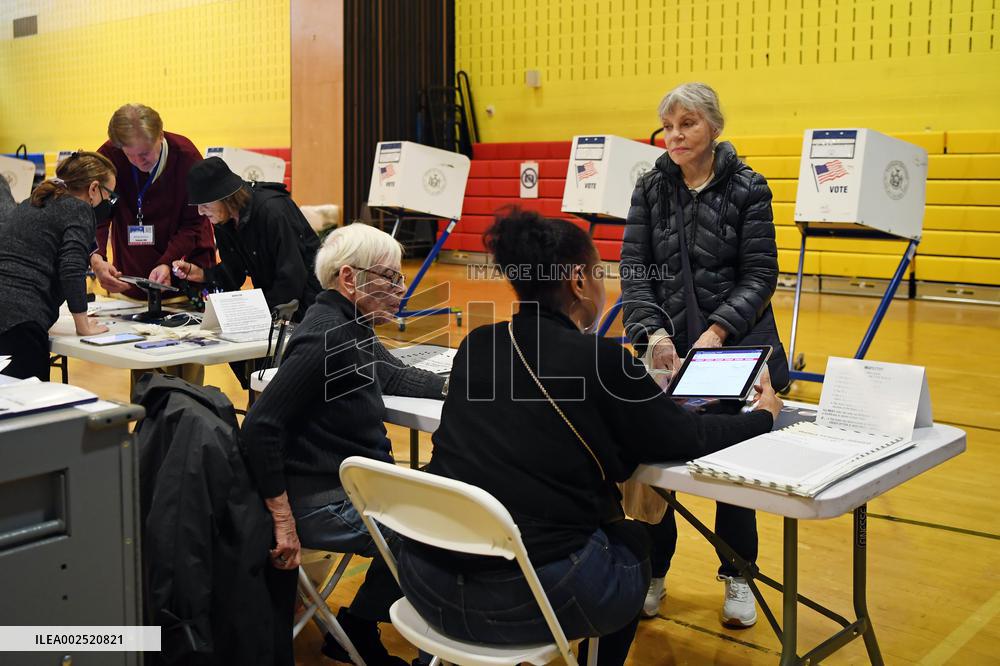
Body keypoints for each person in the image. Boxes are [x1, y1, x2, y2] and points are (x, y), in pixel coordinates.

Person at [396, 209, 783, 666]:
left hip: (425, 584)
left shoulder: (477, 345)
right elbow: (689, 436)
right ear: (578, 281)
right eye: (600, 272)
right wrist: (763, 416)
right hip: (524, 601)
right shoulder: (601, 360)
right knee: (631, 545)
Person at [621, 82, 790, 626]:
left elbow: (762, 274)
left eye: (687, 124)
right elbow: (636, 271)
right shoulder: (649, 188)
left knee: (730, 466)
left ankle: (738, 575)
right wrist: (650, 334)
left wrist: (717, 331)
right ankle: (652, 571)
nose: (675, 135)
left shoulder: (748, 187)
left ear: (715, 127)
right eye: (668, 126)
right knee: (648, 462)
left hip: (734, 347)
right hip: (668, 353)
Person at [241, 223, 446, 665]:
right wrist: (282, 519)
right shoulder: (326, 336)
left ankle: (357, 624)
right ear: (350, 278)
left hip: (353, 489)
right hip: (322, 502)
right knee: (440, 531)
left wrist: (468, 383)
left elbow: (395, 375)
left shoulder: (349, 322)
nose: (400, 289)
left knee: (447, 492)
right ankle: (392, 634)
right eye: (391, 278)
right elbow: (260, 427)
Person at [0, 152, 116, 380]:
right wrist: (83, 325)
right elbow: (71, 268)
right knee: (30, 410)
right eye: (109, 195)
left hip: (9, 315)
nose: (109, 203)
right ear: (93, 189)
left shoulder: (33, 202)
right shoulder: (79, 209)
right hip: (21, 323)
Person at [174, 156, 322, 321]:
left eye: (205, 205)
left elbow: (292, 275)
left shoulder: (273, 211)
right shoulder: (224, 220)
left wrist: (257, 314)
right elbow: (234, 272)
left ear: (226, 198)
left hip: (310, 307)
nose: (200, 212)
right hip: (276, 307)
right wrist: (202, 275)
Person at [93, 103, 215, 300]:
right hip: (129, 276)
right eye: (129, 155)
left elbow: (194, 223)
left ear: (160, 135)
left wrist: (167, 261)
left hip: (183, 274)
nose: (137, 161)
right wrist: (97, 257)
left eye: (144, 154)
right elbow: (97, 214)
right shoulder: (109, 156)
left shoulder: (187, 158)